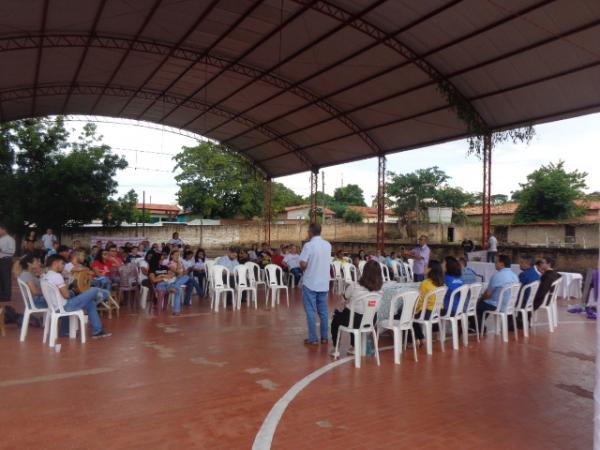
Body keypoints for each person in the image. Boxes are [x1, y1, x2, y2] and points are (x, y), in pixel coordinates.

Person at [44, 255, 111, 338]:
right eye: (62, 264)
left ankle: (97, 331)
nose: (63, 266)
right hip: (66, 306)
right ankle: (103, 295)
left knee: (91, 303)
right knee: (94, 290)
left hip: (56, 306)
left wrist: (68, 285)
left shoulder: (46, 276)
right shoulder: (57, 276)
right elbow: (66, 295)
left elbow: (60, 292)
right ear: (55, 263)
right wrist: (69, 286)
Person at [330, 260, 383, 354]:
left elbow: (342, 300)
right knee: (353, 314)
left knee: (337, 318)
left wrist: (347, 304)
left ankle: (336, 348)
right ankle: (354, 347)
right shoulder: (380, 290)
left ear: (364, 272)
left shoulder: (354, 286)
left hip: (353, 320)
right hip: (370, 321)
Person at [299, 223, 332, 345]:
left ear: (310, 232)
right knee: (323, 312)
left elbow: (303, 263)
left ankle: (313, 339)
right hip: (323, 283)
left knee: (311, 311)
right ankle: (324, 337)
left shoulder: (309, 245)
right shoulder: (328, 245)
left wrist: (304, 266)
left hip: (311, 283)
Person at [477, 254, 519, 326]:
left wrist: (480, 298)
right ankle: (480, 325)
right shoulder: (515, 276)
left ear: (502, 264)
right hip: (510, 304)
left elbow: (488, 294)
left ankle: (478, 327)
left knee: (478, 305)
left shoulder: (497, 275)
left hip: (497, 305)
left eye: (496, 262)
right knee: (484, 303)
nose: (495, 264)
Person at [413, 260, 445, 343]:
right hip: (438, 311)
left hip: (427, 313)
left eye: (426, 266)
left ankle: (419, 338)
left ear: (430, 269)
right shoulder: (441, 283)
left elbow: (419, 301)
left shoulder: (425, 283)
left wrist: (413, 309)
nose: (424, 267)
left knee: (408, 314)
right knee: (430, 306)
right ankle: (436, 333)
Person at [148, 252, 188, 316]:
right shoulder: (152, 269)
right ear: (156, 260)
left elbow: (172, 275)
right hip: (160, 285)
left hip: (169, 282)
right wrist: (163, 277)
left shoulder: (164, 267)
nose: (162, 261)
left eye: (162, 260)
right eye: (160, 260)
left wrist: (163, 276)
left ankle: (176, 311)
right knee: (178, 289)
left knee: (185, 279)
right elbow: (153, 280)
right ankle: (176, 311)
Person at [0, 224, 16, 302]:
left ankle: (6, 296)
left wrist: (2, 250)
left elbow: (12, 251)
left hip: (6, 260)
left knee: (6, 278)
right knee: (1, 278)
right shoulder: (1, 239)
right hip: (1, 260)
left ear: (3, 230)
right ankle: (2, 295)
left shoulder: (10, 239)